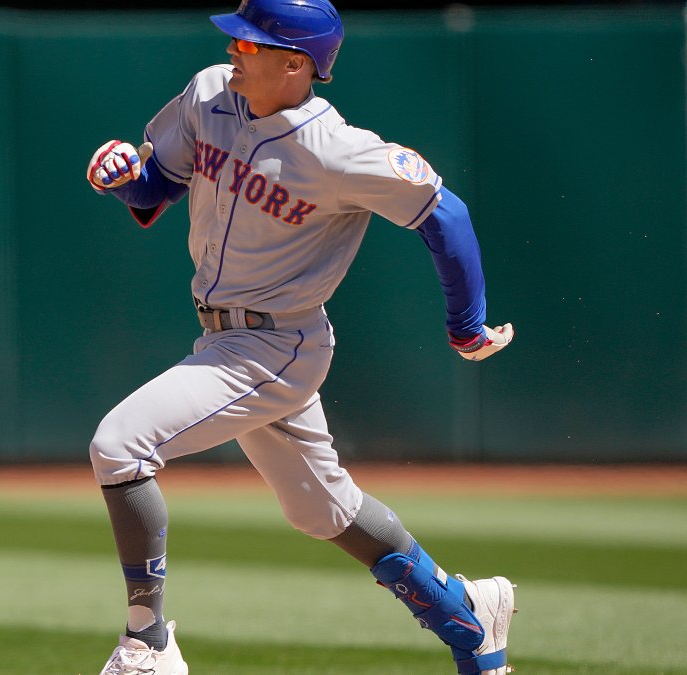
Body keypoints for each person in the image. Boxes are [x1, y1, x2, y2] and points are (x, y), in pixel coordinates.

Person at [84, 1, 517, 673]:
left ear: (296, 65)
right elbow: (154, 190)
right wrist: (123, 178)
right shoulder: (208, 94)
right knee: (325, 510)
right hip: (224, 337)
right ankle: (468, 617)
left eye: (250, 44)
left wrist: (465, 324)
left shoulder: (337, 150)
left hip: (276, 345)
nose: (234, 49)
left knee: (120, 445)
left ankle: (148, 642)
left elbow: (446, 213)